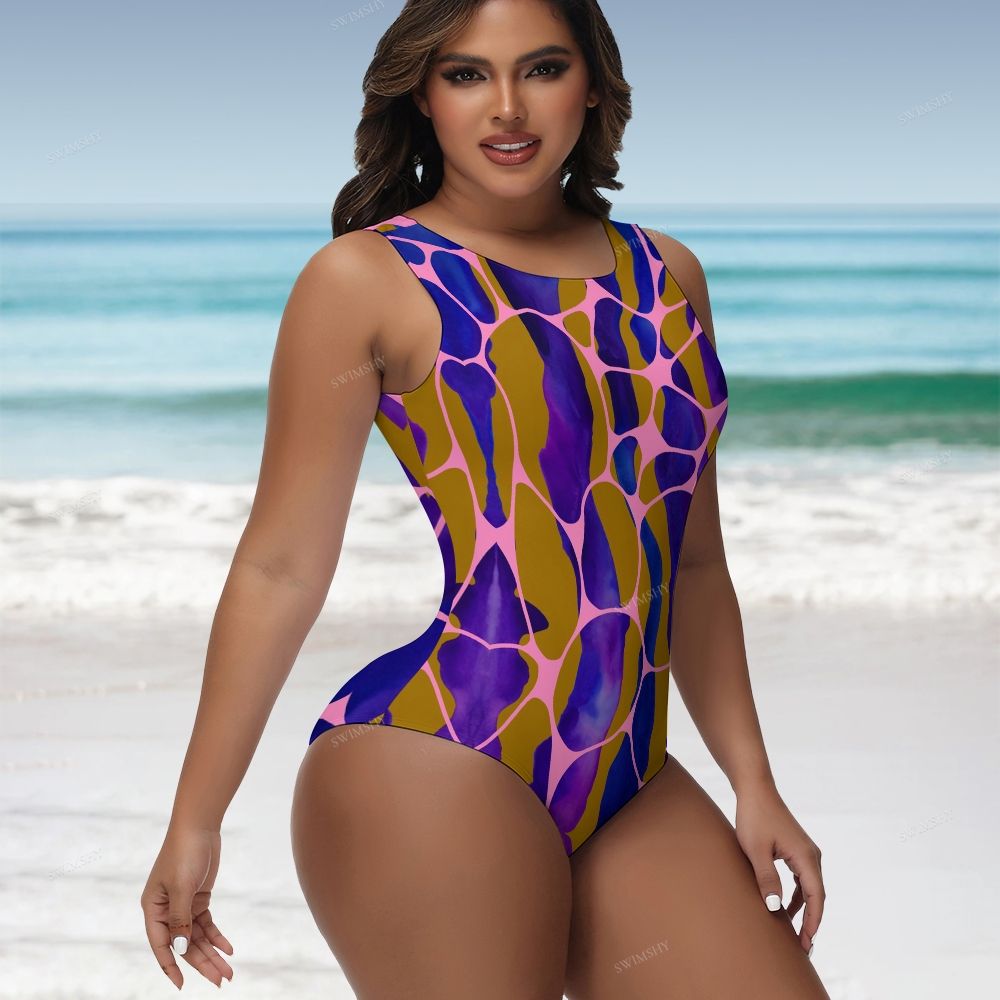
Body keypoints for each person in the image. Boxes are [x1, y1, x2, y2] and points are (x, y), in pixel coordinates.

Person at [141, 1, 830, 997]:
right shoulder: (366, 277)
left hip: (629, 776)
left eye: (541, 68)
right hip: (436, 755)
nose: (507, 107)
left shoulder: (668, 274)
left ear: (591, 84)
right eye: (466, 74)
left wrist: (753, 782)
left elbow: (690, 561)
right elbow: (281, 567)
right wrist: (194, 819)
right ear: (422, 94)